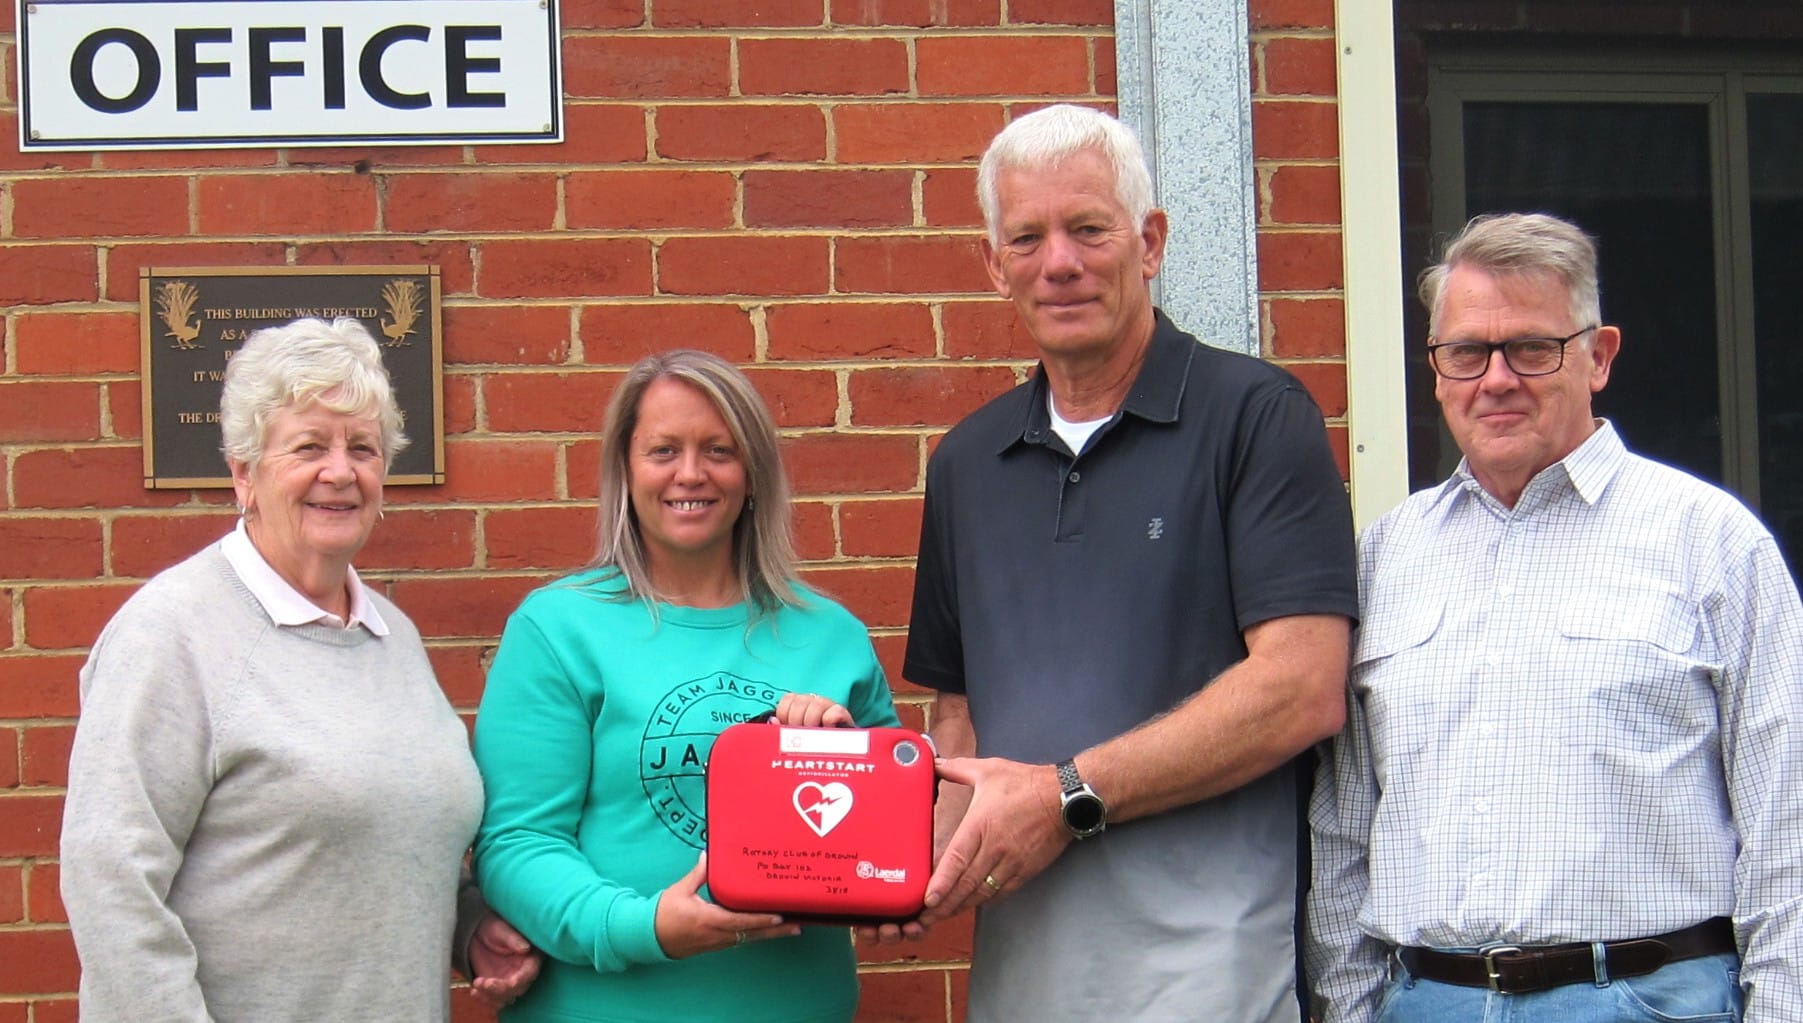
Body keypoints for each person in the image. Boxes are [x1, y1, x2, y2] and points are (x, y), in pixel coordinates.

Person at [896, 103, 1359, 1021]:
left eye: (1087, 229)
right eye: (1024, 238)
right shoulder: (964, 464)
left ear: (1148, 242)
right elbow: (959, 718)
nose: (1057, 262)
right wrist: (895, 867)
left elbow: (1302, 685)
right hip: (1025, 980)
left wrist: (1067, 795)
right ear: (994, 266)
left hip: (1216, 975)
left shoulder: (1255, 418)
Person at [1307, 212, 1803, 1022]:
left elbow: (1787, 824)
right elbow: (1342, 830)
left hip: (1647, 1000)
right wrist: (1353, 1008)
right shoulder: (1383, 559)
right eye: (1466, 351)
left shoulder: (1711, 545)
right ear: (1436, 371)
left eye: (1532, 348)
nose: (1495, 378)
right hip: (1428, 1002)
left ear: (1597, 355)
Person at [60, 317, 540, 1021]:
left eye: (364, 448)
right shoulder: (170, 632)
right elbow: (111, 882)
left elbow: (386, 836)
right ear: (244, 473)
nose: (340, 472)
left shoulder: (390, 636)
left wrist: (468, 926)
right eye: (309, 446)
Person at [471, 349, 902, 1023]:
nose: (690, 473)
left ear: (753, 470)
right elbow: (518, 843)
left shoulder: (831, 635)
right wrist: (643, 928)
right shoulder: (559, 628)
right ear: (625, 469)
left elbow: (895, 842)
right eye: (663, 450)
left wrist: (843, 759)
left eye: (718, 449)